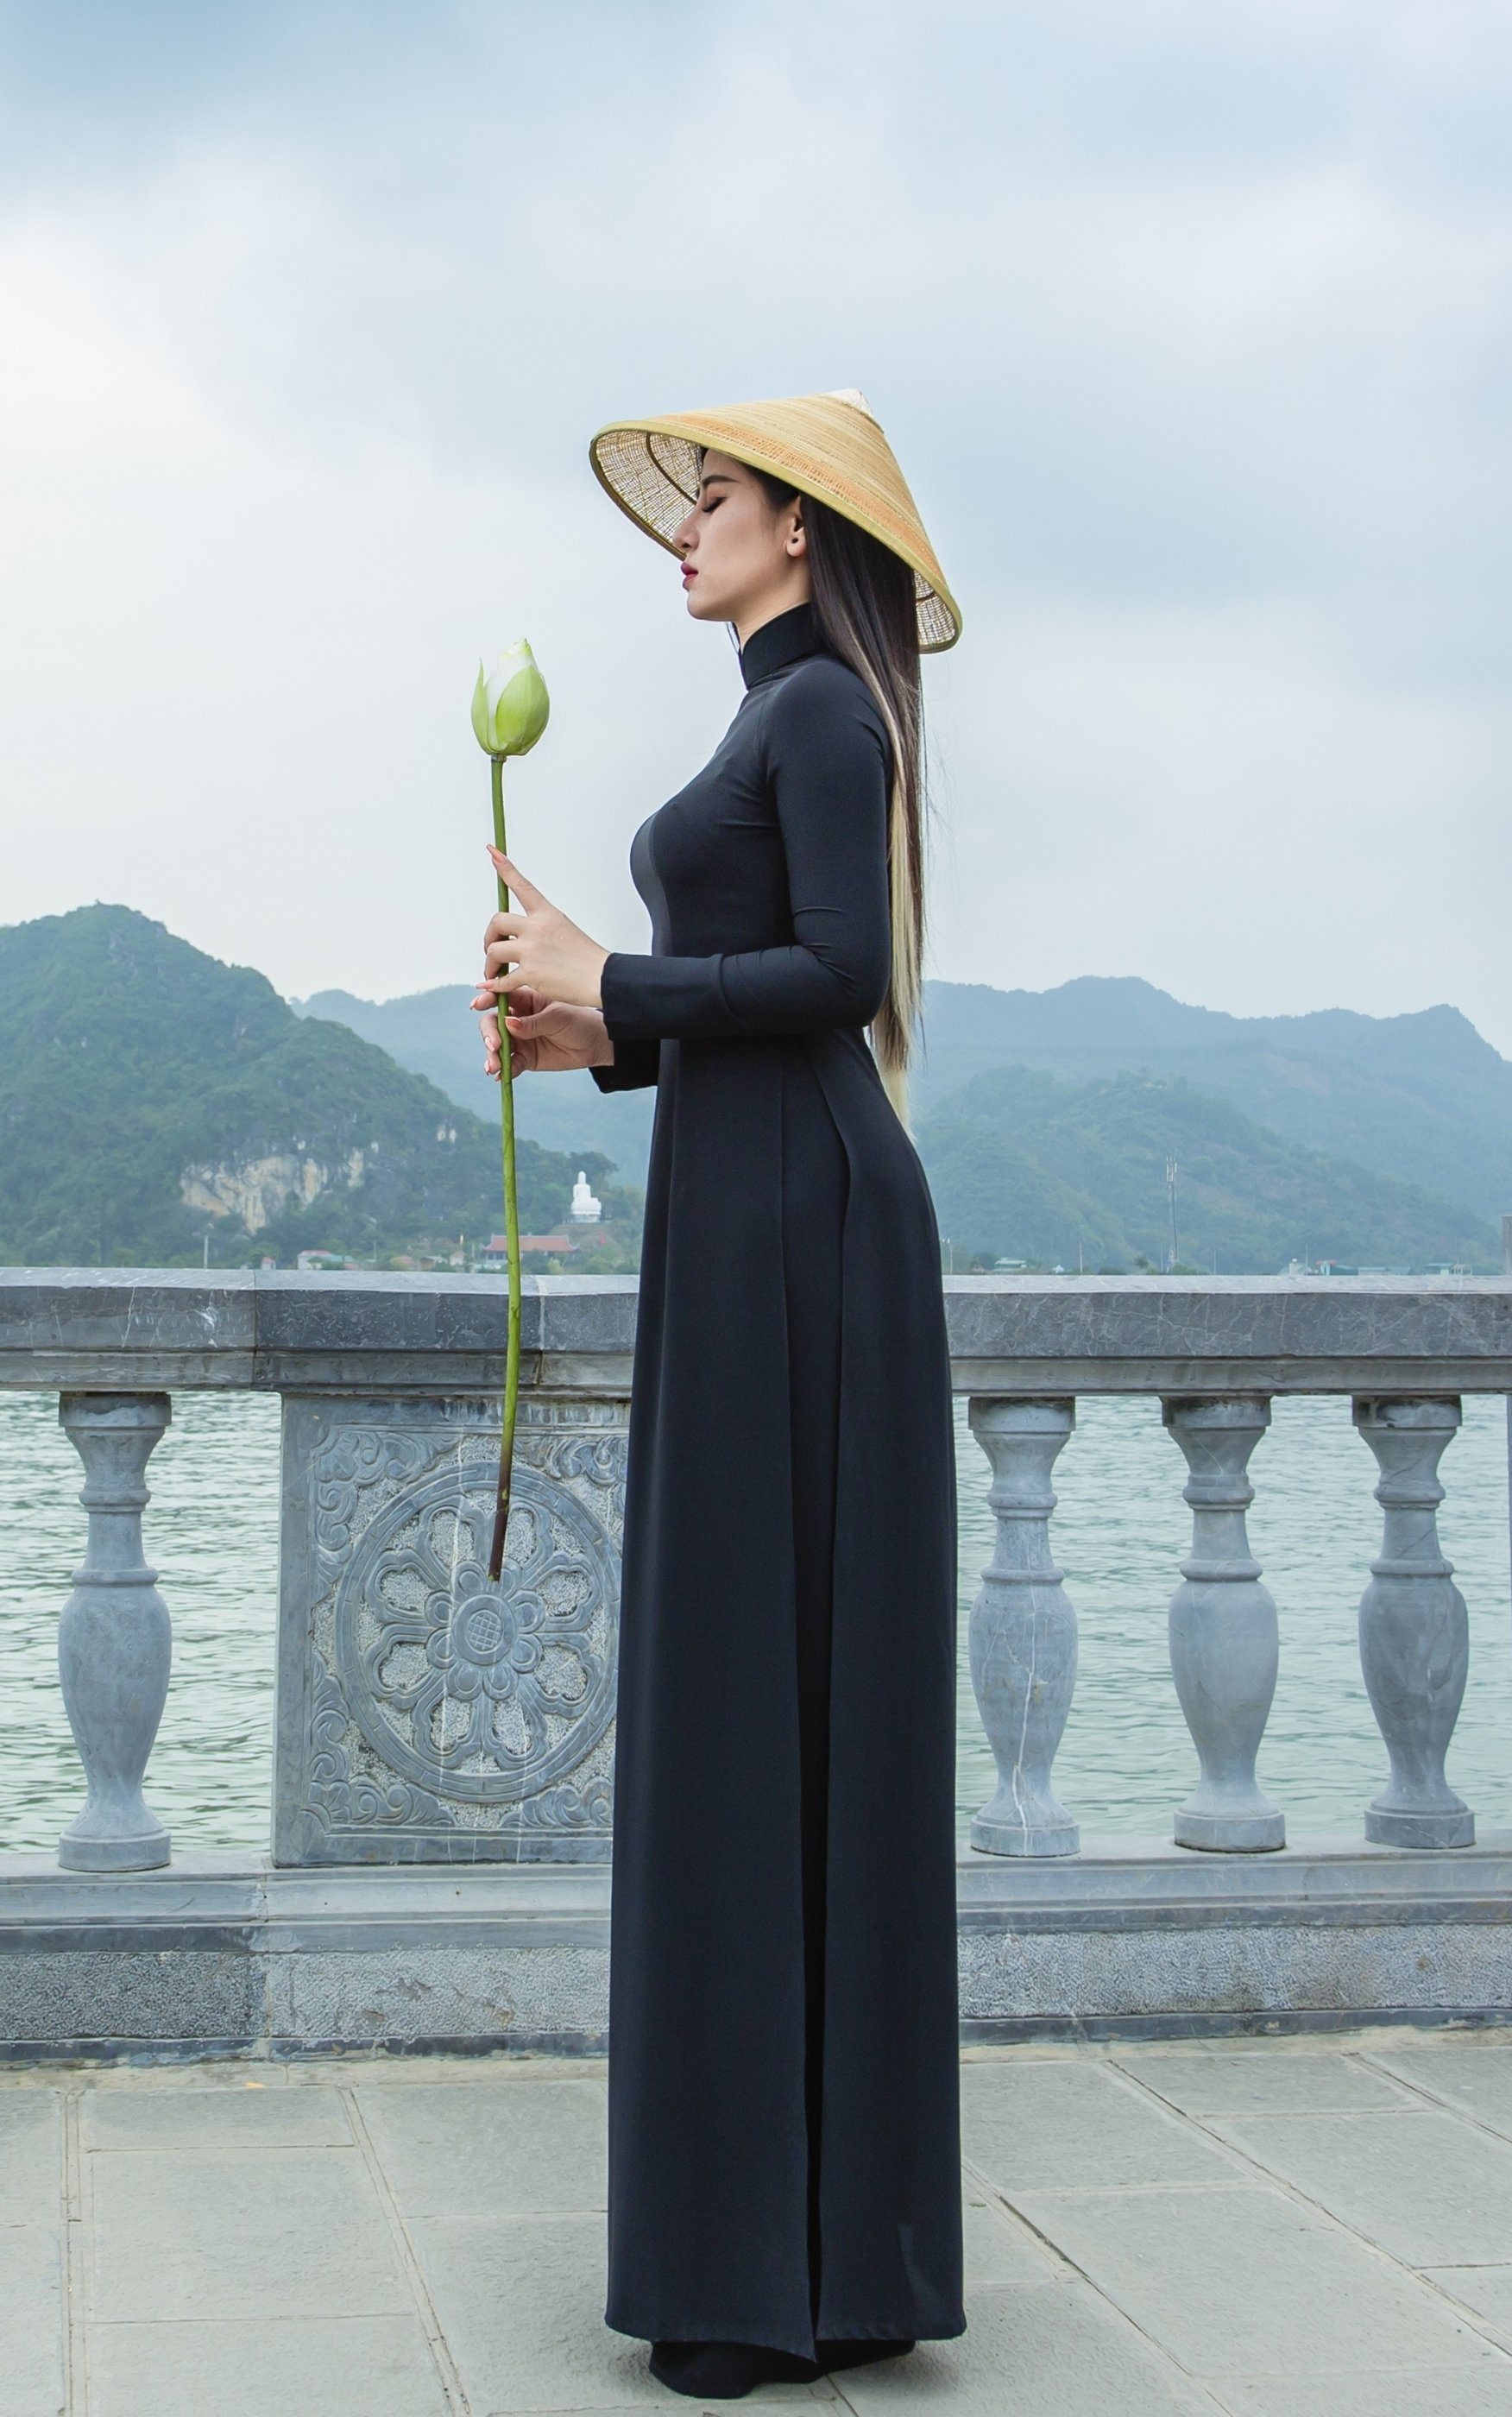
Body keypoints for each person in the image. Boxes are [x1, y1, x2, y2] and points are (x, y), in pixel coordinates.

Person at [473, 389, 965, 2402]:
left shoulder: (827, 712)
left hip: (812, 1240)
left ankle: (798, 2266)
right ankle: (788, 2257)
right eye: (686, 501)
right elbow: (736, 1004)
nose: (686, 525)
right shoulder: (768, 717)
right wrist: (589, 1028)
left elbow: (838, 974)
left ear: (803, 528)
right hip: (743, 1217)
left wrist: (618, 974)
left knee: (778, 1703)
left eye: (721, 498)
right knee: (743, 1704)